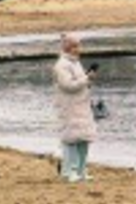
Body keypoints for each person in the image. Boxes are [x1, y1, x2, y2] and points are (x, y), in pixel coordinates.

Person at [54, 34, 98, 183]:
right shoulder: (61, 65)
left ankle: (82, 170)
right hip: (69, 107)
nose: (78, 49)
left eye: (78, 46)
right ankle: (71, 171)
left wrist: (88, 79)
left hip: (82, 106)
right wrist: (86, 78)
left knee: (84, 139)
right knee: (72, 139)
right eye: (75, 46)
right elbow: (68, 86)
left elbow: (79, 83)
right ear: (67, 47)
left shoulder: (76, 63)